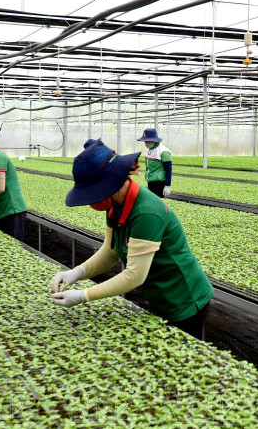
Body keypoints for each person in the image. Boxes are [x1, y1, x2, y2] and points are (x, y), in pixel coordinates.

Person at [48, 140, 213, 340]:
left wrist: (84, 296)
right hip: (159, 294)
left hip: (185, 300)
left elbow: (135, 275)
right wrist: (76, 273)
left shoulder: (146, 213)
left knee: (184, 352)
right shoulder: (116, 205)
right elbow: (111, 251)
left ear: (111, 182)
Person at [137, 128, 172, 198]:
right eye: (145, 141)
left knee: (157, 202)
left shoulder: (163, 151)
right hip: (150, 181)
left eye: (147, 141)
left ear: (154, 140)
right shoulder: (150, 149)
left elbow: (168, 169)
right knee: (152, 201)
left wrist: (167, 185)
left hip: (160, 183)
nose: (146, 143)